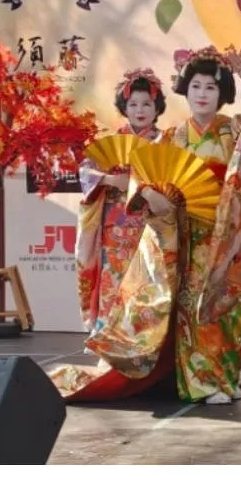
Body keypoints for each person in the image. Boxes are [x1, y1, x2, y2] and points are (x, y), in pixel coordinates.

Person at [51, 46, 241, 404]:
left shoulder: (233, 130)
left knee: (230, 308)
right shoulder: (174, 137)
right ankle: (201, 382)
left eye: (210, 88)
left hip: (223, 233)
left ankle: (224, 376)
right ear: (185, 92)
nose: (202, 94)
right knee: (194, 309)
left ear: (221, 95)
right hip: (186, 233)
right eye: (196, 87)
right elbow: (154, 180)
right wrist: (155, 200)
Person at [75, 69, 165, 340]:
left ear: (156, 107)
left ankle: (147, 343)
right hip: (115, 228)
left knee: (149, 285)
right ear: (124, 107)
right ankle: (110, 343)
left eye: (146, 104)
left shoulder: (166, 142)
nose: (140, 110)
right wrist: (112, 180)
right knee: (113, 284)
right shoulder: (110, 142)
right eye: (133, 104)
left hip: (151, 225)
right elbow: (85, 172)